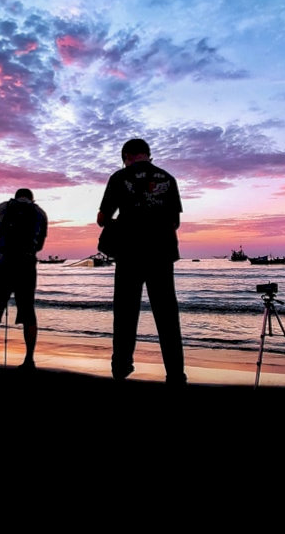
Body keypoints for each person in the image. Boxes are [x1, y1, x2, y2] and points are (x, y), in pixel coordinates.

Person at [97, 138, 186, 384]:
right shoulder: (168, 179)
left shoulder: (119, 177)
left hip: (129, 253)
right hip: (162, 252)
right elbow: (175, 222)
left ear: (126, 155)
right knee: (167, 315)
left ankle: (121, 367)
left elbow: (103, 218)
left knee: (125, 313)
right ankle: (176, 374)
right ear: (148, 155)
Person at [0, 188, 48, 369]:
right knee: (28, 312)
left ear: (16, 196)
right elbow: (40, 245)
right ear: (31, 198)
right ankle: (29, 360)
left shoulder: (2, 207)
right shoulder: (40, 213)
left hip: (1, 263)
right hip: (26, 265)